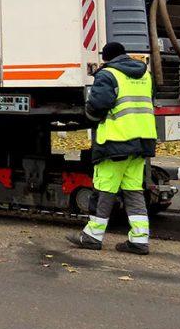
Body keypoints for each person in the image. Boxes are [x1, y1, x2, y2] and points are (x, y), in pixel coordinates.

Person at [67, 41, 157, 255]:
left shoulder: (108, 75)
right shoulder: (145, 75)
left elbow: (97, 106)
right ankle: (139, 239)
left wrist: (88, 118)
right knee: (134, 191)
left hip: (115, 142)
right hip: (142, 141)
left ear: (106, 58)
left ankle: (92, 236)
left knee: (104, 191)